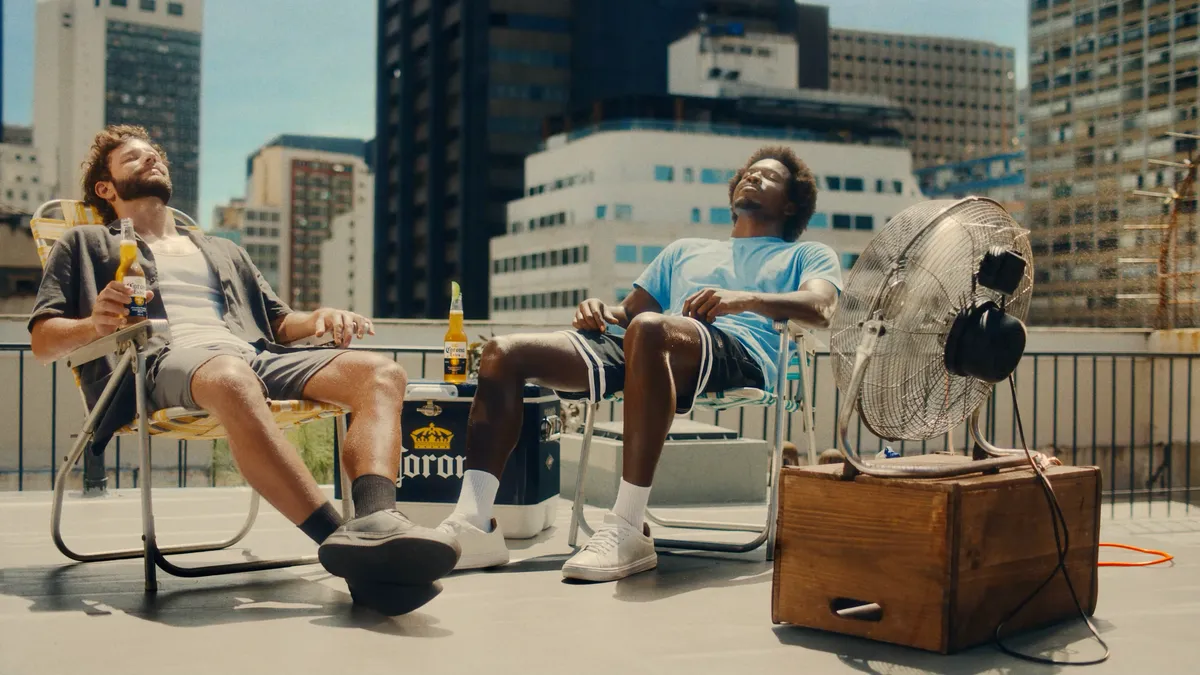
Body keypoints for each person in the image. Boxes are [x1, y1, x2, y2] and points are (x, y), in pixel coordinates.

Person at [28, 125, 459, 605]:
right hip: (156, 362)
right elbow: (43, 341)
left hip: (255, 355)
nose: (152, 161)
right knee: (232, 378)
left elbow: (278, 323)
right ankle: (340, 541)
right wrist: (93, 322)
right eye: (134, 158)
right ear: (106, 189)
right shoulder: (85, 243)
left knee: (381, 373)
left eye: (155, 155)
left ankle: (377, 519)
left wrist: (319, 317)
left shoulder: (222, 248)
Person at [436, 145, 843, 581]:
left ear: (791, 202)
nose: (753, 177)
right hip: (655, 341)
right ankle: (475, 523)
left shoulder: (806, 255)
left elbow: (821, 306)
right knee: (503, 353)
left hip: (740, 353)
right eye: (749, 172)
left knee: (651, 330)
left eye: (769, 177)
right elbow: (627, 314)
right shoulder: (685, 250)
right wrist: (597, 310)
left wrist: (743, 300)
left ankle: (628, 526)